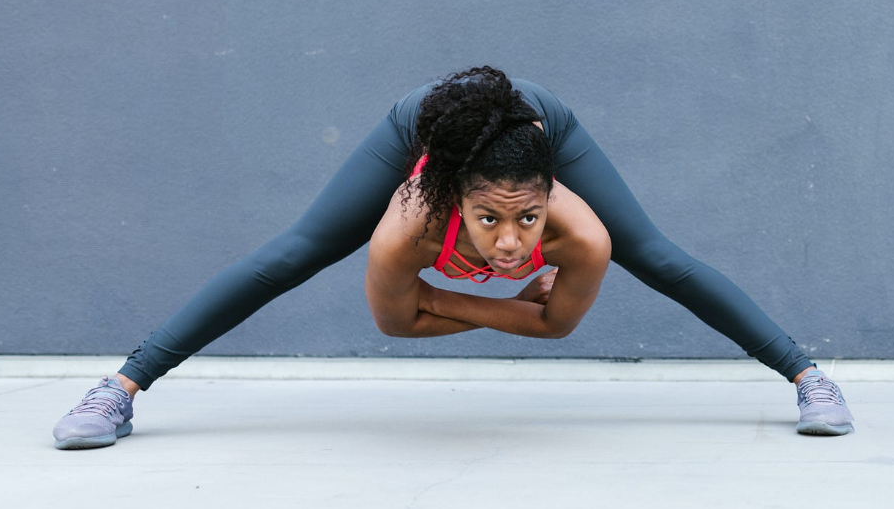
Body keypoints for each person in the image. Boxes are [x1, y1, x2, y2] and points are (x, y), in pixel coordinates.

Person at [52, 67, 853, 449]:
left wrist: (454, 298)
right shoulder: (408, 222)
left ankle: (805, 373)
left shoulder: (582, 234)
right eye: (488, 223)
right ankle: (118, 388)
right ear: (450, 202)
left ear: (553, 193)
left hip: (536, 123)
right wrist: (503, 299)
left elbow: (558, 329)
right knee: (293, 253)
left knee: (655, 254)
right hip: (424, 127)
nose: (512, 243)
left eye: (530, 219)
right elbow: (393, 323)